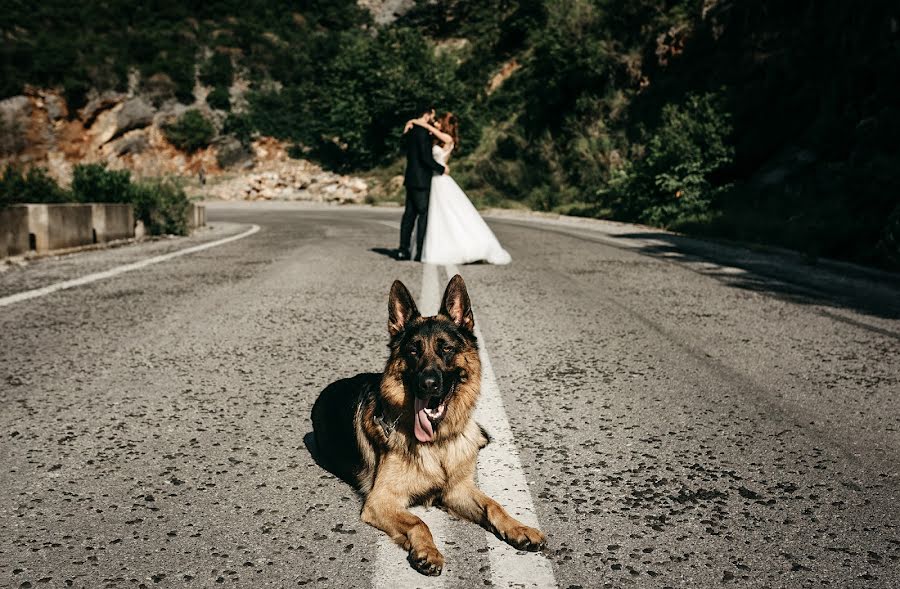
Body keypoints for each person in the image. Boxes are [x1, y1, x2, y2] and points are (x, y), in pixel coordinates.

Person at [403, 113, 511, 265]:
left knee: (448, 214)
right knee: (435, 216)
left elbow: (432, 138)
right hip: (432, 181)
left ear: (445, 125)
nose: (436, 124)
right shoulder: (435, 138)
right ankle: (426, 248)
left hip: (440, 179)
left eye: (439, 122)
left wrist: (417, 121)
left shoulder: (448, 139)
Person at [398, 104, 447, 261]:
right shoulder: (423, 133)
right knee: (423, 215)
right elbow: (426, 158)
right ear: (427, 114)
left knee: (408, 216)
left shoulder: (411, 130)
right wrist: (441, 169)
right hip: (421, 181)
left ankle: (403, 250)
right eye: (433, 114)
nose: (433, 117)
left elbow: (403, 147)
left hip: (410, 178)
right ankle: (420, 251)